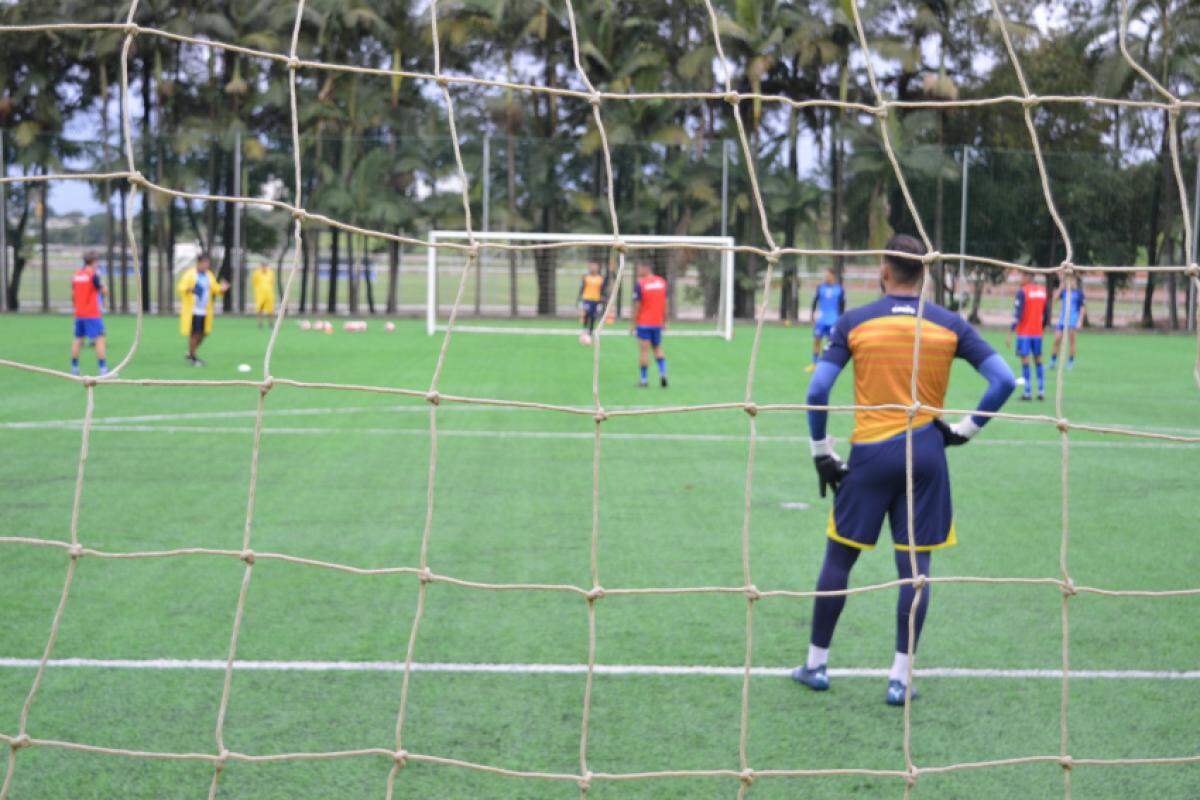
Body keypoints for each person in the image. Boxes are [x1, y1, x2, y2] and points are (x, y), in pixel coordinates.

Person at [792, 234, 1015, 706]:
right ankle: (900, 678)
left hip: (870, 456)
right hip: (927, 456)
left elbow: (816, 391)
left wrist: (820, 452)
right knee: (915, 571)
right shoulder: (949, 324)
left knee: (838, 561)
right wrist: (965, 429)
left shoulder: (855, 322)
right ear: (924, 273)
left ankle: (815, 665)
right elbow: (1003, 379)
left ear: (884, 270)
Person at [177, 253, 229, 366]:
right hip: (193, 310)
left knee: (203, 334)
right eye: (205, 263)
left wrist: (222, 289)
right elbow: (181, 287)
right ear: (199, 263)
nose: (207, 265)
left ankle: (191, 352)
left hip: (205, 310)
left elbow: (215, 288)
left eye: (208, 263)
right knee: (195, 334)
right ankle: (193, 357)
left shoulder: (209, 275)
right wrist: (189, 289)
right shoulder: (190, 274)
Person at [1006, 271, 1049, 400]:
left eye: (1021, 276)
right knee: (1038, 360)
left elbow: (1018, 315)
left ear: (1027, 277)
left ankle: (1027, 392)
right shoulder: (1042, 291)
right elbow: (1046, 313)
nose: (1020, 279)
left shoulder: (1022, 292)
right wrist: (1042, 328)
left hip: (1024, 333)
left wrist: (1009, 333)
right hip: (1037, 333)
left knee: (1025, 361)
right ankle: (1041, 391)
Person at [70, 252, 108, 376]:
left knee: (78, 339)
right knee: (100, 339)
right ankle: (103, 369)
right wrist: (103, 287)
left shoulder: (76, 274)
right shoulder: (93, 275)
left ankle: (74, 367)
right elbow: (103, 290)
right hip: (92, 313)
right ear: (94, 262)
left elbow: (73, 294)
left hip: (79, 313)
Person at [631, 261, 668, 388]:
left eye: (639, 267)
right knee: (657, 348)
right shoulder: (662, 282)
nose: (638, 270)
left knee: (644, 351)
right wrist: (664, 320)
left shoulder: (641, 284)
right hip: (657, 322)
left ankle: (644, 380)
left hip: (644, 323)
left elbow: (637, 306)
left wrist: (633, 324)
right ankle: (663, 374)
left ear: (646, 268)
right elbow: (665, 303)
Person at [807, 268, 845, 373]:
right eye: (825, 275)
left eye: (827, 275)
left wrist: (841, 319)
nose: (826, 277)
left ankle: (826, 365)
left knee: (830, 343)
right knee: (817, 341)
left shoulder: (839, 289)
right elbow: (815, 301)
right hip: (821, 320)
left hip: (833, 320)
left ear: (833, 276)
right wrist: (812, 314)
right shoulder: (820, 287)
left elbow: (842, 305)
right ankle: (814, 364)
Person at [1050, 280, 1085, 370]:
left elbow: (1082, 308)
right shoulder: (1064, 292)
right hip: (1062, 320)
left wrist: (1080, 321)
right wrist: (1060, 288)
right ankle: (1052, 362)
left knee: (1072, 342)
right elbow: (1054, 300)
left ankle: (1070, 362)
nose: (1070, 283)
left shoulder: (1079, 293)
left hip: (1072, 320)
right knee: (1056, 340)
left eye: (1072, 281)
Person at [578, 261, 607, 340]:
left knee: (593, 316)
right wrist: (579, 299)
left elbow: (603, 290)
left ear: (598, 268)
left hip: (596, 300)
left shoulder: (600, 278)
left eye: (595, 266)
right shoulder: (586, 277)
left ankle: (590, 331)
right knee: (586, 314)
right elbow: (582, 288)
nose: (593, 268)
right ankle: (584, 329)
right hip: (587, 299)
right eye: (592, 266)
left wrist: (602, 299)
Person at [250, 263, 277, 329]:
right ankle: (260, 323)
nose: (264, 268)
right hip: (260, 294)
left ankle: (271, 323)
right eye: (263, 266)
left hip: (269, 294)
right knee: (260, 308)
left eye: (265, 266)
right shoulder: (256, 273)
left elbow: (272, 282)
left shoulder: (271, 273)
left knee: (270, 309)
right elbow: (254, 282)